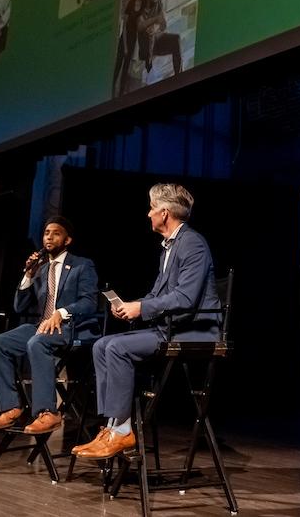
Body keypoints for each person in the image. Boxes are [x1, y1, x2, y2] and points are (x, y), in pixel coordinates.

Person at [73, 183, 220, 459]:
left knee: (117, 348)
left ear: (164, 213)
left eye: (152, 208)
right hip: (170, 328)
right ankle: (112, 426)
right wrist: (130, 307)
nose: (148, 213)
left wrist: (141, 308)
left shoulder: (193, 243)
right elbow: (158, 294)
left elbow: (185, 298)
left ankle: (123, 431)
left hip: (193, 331)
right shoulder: (169, 247)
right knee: (102, 345)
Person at [0, 216, 99, 434]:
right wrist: (28, 275)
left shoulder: (82, 265)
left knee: (37, 343)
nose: (49, 236)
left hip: (72, 327)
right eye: (47, 232)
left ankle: (47, 412)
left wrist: (62, 312)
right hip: (43, 326)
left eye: (56, 233)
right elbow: (19, 307)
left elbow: (89, 302)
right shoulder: (42, 269)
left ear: (67, 240)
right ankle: (11, 407)